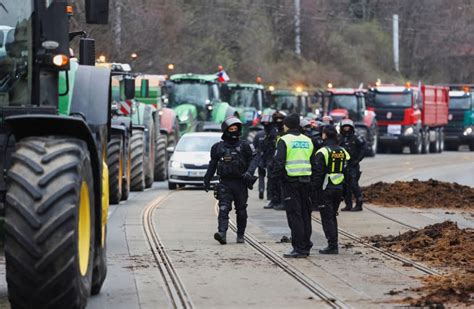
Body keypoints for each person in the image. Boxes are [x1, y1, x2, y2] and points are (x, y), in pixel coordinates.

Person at [203, 117, 257, 245]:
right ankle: (222, 233)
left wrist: (249, 172)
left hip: (241, 183)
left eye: (235, 129)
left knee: (242, 211)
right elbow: (212, 164)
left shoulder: (245, 145)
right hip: (225, 183)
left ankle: (240, 235)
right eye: (231, 129)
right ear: (226, 130)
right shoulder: (217, 147)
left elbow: (254, 160)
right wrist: (206, 179)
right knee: (223, 208)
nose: (233, 132)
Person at [271, 113, 315, 258]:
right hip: (306, 182)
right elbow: (313, 162)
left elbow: (279, 162)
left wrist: (275, 182)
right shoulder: (308, 140)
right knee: (305, 214)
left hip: (291, 183)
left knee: (294, 216)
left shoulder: (284, 140)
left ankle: (299, 248)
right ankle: (306, 245)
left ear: (287, 125)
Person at [313, 125, 350, 254]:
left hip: (326, 188)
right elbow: (347, 172)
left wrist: (314, 191)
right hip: (339, 188)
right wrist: (346, 192)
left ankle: (332, 245)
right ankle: (333, 243)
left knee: (327, 217)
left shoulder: (322, 152)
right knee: (332, 216)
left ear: (324, 135)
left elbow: (318, 174)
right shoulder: (342, 151)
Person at [339, 119, 367, 212]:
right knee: (345, 186)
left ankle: (359, 203)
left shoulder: (356, 138)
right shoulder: (339, 138)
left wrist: (357, 160)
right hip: (342, 165)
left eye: (348, 127)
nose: (346, 129)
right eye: (344, 127)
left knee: (353, 185)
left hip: (353, 165)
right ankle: (348, 204)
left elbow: (364, 148)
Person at [264, 110, 287, 210]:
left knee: (280, 181)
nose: (278, 122)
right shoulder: (272, 130)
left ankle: (282, 201)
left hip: (281, 158)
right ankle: (273, 200)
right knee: (271, 180)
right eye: (276, 120)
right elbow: (268, 144)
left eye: (280, 120)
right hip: (272, 158)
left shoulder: (285, 131)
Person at [253, 113, 275, 200]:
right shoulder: (262, 134)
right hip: (267, 157)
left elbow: (254, 146)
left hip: (265, 157)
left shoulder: (259, 134)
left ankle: (262, 190)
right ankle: (266, 193)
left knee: (262, 175)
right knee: (266, 176)